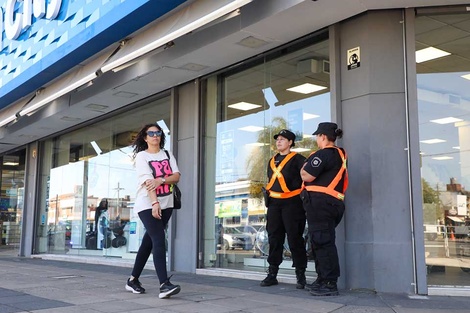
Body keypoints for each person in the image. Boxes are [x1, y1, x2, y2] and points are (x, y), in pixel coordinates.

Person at [125, 123, 181, 299]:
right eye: (151, 133)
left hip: (168, 203)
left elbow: (176, 177)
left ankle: (132, 280)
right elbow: (148, 182)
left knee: (148, 243)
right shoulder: (142, 156)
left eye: (158, 133)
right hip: (148, 204)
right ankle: (164, 284)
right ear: (145, 137)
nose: (155, 136)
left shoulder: (167, 154)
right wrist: (154, 202)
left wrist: (161, 180)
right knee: (158, 239)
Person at [300, 122, 348, 296]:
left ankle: (329, 282)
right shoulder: (340, 155)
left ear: (323, 136)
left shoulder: (324, 153)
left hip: (321, 203)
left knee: (322, 241)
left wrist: (303, 170)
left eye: (317, 136)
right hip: (332, 203)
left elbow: (308, 175)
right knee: (319, 241)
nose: (316, 139)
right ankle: (322, 279)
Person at [260, 129, 308, 289]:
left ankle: (300, 275)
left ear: (290, 142)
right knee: (274, 238)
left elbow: (307, 178)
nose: (279, 141)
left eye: (282, 139)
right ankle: (272, 273)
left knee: (295, 238)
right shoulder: (271, 161)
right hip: (274, 204)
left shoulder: (298, 159)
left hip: (293, 203)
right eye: (277, 139)